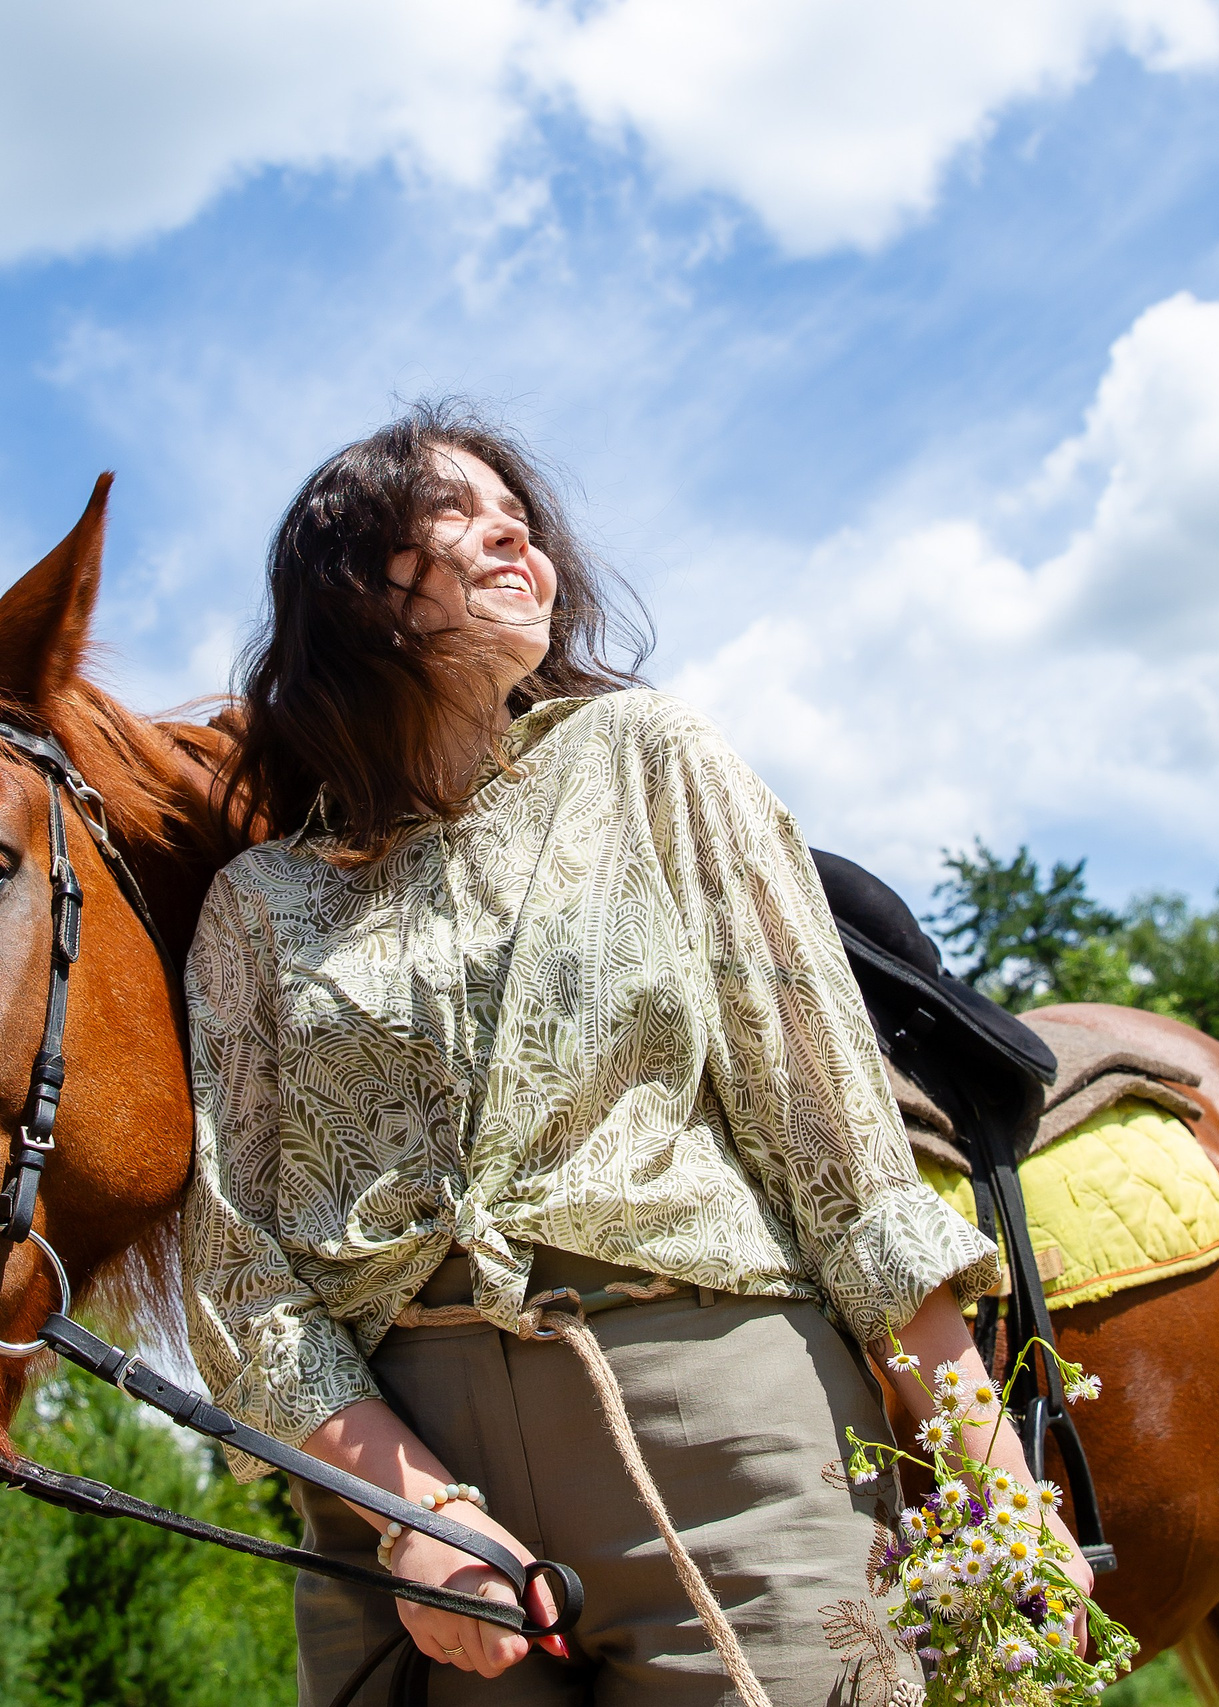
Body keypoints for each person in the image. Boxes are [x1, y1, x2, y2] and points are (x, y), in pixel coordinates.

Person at [180, 402, 1096, 1706]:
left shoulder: (650, 760)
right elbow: (236, 1263)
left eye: (523, 522)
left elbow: (836, 1142)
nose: (515, 538)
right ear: (359, 585)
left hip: (725, 1434)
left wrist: (991, 1479)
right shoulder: (255, 906)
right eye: (455, 516)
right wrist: (408, 1511)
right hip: (399, 1490)